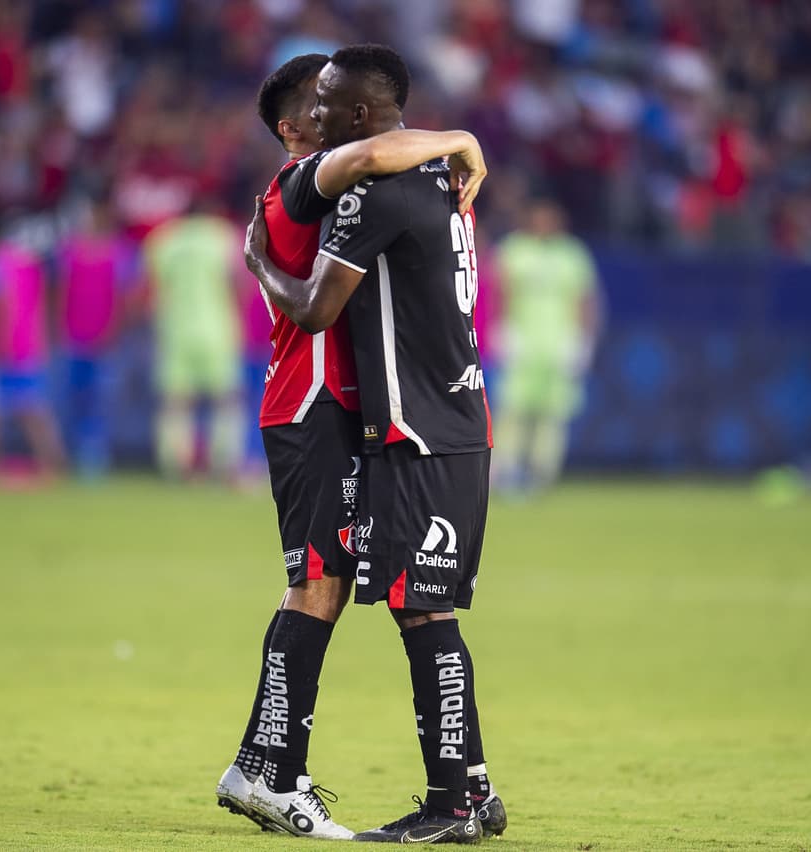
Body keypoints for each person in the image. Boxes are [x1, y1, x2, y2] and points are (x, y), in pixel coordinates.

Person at [217, 52, 496, 841]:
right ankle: (270, 773)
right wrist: (461, 138)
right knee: (322, 587)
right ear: (292, 129)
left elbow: (383, 146)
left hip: (361, 413)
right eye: (316, 103)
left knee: (367, 593)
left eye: (336, 101)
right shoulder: (305, 182)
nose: (327, 114)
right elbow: (376, 152)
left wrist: (456, 141)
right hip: (312, 407)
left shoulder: (389, 179)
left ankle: (455, 783)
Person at [492, 197, 601, 495]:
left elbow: (585, 299)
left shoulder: (572, 254)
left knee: (553, 413)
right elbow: (499, 291)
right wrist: (501, 329)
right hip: (523, 342)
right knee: (512, 407)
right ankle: (505, 469)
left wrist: (582, 340)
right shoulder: (513, 249)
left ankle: (541, 473)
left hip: (557, 343)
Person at [142, 201, 246, 480]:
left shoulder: (163, 239)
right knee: (226, 399)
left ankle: (176, 466)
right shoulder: (222, 235)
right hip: (217, 328)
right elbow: (238, 282)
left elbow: (153, 287)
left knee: (176, 401)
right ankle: (223, 464)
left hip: (175, 329)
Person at [0, 216, 66, 476]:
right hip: (29, 348)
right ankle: (52, 465)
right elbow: (43, 305)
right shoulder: (30, 265)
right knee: (33, 411)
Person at [55, 191, 136, 476]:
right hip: (74, 339)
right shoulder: (70, 251)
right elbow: (61, 292)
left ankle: (94, 461)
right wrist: (59, 327)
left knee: (101, 403)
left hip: (104, 342)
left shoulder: (119, 253)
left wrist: (113, 331)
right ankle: (71, 456)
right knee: (73, 399)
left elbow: (123, 298)